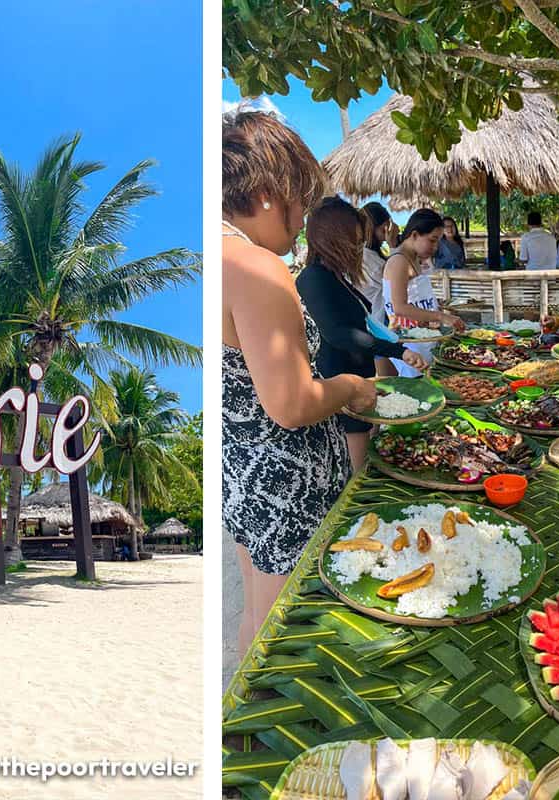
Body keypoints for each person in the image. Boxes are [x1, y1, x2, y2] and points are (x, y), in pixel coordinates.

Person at [222, 111, 377, 654]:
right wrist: (352, 389)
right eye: (300, 203)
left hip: (245, 477)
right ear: (268, 192)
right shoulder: (255, 266)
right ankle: (251, 736)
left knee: (256, 615)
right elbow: (290, 404)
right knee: (280, 633)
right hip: (283, 483)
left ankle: (242, 732)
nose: (301, 222)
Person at [297, 198, 427, 469]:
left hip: (361, 380)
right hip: (341, 387)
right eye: (353, 242)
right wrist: (397, 351)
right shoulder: (313, 278)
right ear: (332, 239)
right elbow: (339, 333)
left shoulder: (337, 276)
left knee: (369, 458)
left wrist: (397, 343)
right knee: (357, 475)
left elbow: (366, 322)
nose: (358, 249)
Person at [377, 208, 466, 375]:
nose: (436, 247)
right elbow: (400, 308)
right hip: (409, 346)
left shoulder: (414, 260)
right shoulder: (399, 262)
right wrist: (441, 316)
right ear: (415, 235)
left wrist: (435, 309)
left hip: (423, 340)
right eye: (432, 240)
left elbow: (416, 299)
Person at [358, 201, 397, 316]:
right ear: (370, 229)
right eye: (383, 230)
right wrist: (393, 245)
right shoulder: (366, 257)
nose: (386, 236)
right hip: (378, 320)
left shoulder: (368, 254)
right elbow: (397, 281)